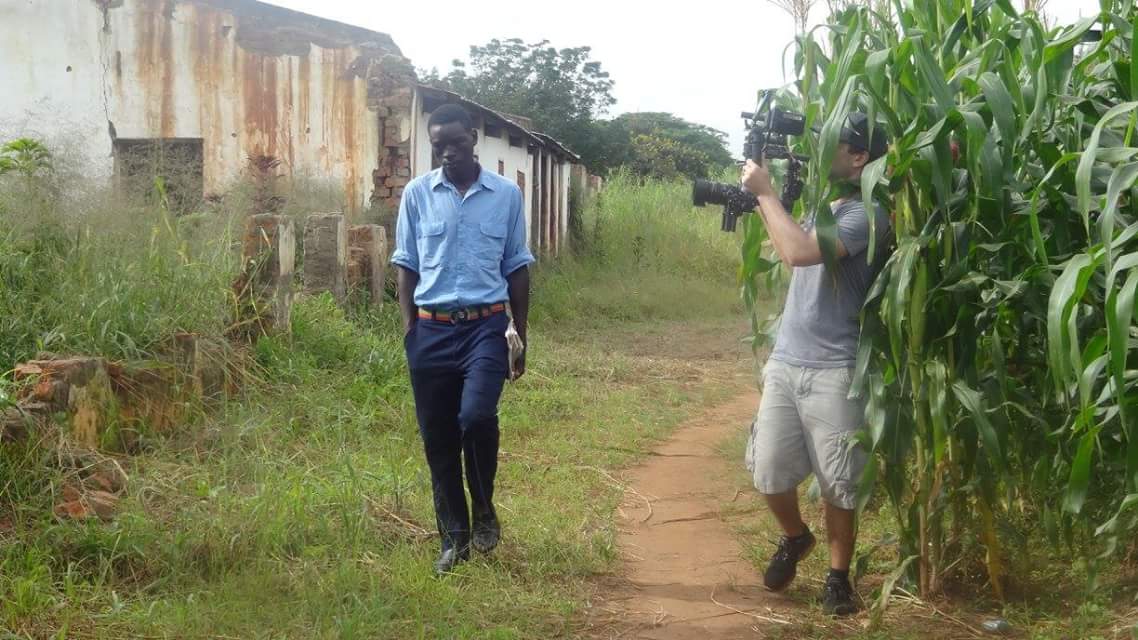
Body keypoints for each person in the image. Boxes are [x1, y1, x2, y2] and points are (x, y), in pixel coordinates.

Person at [740, 112, 890, 616]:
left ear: (859, 157)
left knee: (838, 481)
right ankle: (795, 536)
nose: (821, 150)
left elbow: (800, 253)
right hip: (787, 359)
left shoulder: (869, 214)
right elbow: (786, 244)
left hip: (835, 366)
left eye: (834, 144)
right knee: (768, 470)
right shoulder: (827, 206)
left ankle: (838, 578)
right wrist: (763, 197)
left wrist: (765, 192)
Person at [390, 103, 534, 575]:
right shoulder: (417, 194)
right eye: (439, 146)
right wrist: (410, 329)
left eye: (455, 143)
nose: (448, 153)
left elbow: (517, 266)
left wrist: (520, 334)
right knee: (439, 439)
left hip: (485, 327)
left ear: (473, 139)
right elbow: (406, 264)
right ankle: (454, 538)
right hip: (430, 330)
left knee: (475, 417)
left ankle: (484, 507)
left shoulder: (506, 195)